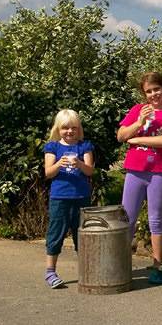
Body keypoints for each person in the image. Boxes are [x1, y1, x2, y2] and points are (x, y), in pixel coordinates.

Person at [117, 72, 162, 283]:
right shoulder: (137, 110)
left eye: (156, 89)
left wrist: (137, 139)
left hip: (159, 172)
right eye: (149, 91)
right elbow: (121, 136)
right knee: (127, 220)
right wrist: (139, 122)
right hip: (135, 171)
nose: (154, 94)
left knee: (156, 220)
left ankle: (157, 266)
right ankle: (120, 264)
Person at [43, 109, 95, 289]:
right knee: (55, 233)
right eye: (65, 128)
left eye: (73, 128)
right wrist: (59, 164)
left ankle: (87, 271)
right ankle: (50, 271)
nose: (69, 131)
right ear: (58, 129)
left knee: (82, 236)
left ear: (78, 128)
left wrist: (79, 164)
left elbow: (90, 170)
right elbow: (48, 173)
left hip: (81, 197)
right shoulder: (52, 147)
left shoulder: (84, 146)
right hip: (60, 198)